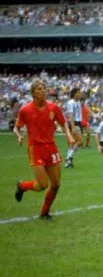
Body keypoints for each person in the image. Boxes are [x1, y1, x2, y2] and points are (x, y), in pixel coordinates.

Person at [13, 79, 76, 220]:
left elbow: (63, 124)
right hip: (35, 148)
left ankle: (44, 212)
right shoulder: (25, 110)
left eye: (44, 88)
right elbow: (16, 127)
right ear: (33, 93)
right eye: (39, 89)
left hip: (51, 147)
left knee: (56, 184)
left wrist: (69, 135)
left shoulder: (54, 108)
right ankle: (22, 186)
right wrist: (19, 136)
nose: (42, 91)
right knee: (42, 185)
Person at [63, 87, 84, 168]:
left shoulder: (78, 102)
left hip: (78, 122)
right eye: (79, 92)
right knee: (80, 141)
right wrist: (73, 127)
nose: (80, 94)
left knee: (74, 143)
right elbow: (70, 115)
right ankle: (68, 158)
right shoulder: (71, 103)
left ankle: (68, 161)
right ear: (75, 94)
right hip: (74, 123)